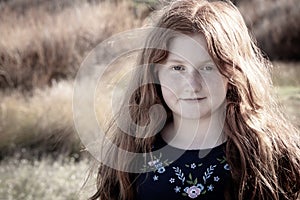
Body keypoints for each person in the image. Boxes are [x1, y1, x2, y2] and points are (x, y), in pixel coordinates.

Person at [89, 0, 300, 199]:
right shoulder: (131, 151)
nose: (192, 83)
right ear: (155, 74)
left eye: (208, 67)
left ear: (234, 74)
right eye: (177, 68)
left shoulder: (270, 153)